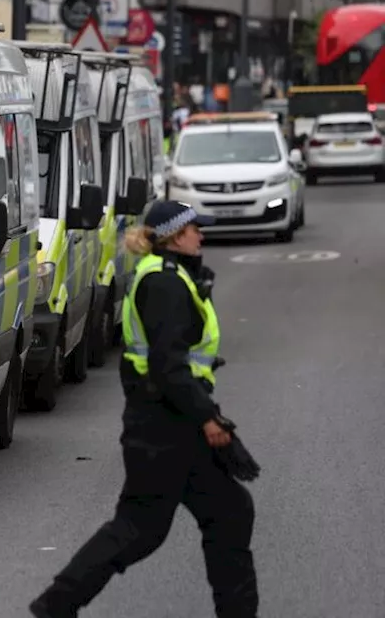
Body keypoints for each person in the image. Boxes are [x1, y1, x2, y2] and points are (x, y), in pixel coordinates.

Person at [30, 201, 258, 618]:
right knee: (141, 528)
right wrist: (209, 418)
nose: (201, 235)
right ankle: (55, 605)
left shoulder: (170, 277)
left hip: (167, 421)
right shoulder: (165, 284)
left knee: (228, 512)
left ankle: (56, 604)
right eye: (195, 229)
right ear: (174, 236)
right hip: (163, 426)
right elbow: (168, 366)